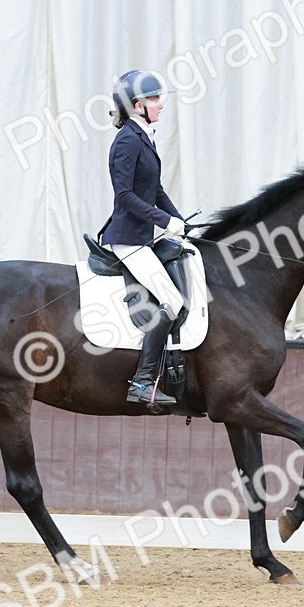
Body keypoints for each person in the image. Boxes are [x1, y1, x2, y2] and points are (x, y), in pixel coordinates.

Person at [98, 69, 188, 406]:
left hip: (141, 237)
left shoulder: (143, 138)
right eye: (154, 99)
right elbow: (125, 196)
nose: (161, 105)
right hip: (127, 239)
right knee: (172, 301)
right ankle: (142, 382)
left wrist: (179, 221)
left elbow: (155, 190)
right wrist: (163, 221)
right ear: (137, 105)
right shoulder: (126, 142)